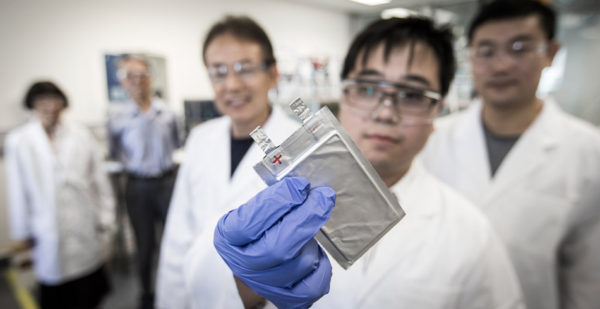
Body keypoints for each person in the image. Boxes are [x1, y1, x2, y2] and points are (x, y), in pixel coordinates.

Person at [212, 17, 525, 308]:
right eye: (367, 88)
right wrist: (245, 284)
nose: (385, 112)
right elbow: (197, 283)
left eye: (413, 94)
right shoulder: (268, 195)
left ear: (437, 111)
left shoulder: (470, 233)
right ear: (343, 96)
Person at [420, 1, 600, 308]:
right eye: (486, 51)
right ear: (472, 57)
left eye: (519, 48)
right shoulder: (431, 138)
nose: (501, 65)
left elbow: (588, 278)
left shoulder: (589, 152)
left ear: (551, 53)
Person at [155, 16, 300, 308]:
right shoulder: (200, 139)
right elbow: (177, 236)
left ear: (273, 74)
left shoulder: (299, 146)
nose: (232, 85)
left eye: (245, 69)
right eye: (218, 72)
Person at [5, 81, 115, 309]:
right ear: (32, 106)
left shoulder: (81, 134)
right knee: (56, 293)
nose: (49, 107)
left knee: (89, 291)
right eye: (41, 101)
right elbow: (17, 191)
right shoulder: (19, 141)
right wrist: (21, 232)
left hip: (83, 222)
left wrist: (106, 218)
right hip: (46, 228)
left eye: (53, 100)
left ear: (62, 104)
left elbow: (99, 181)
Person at [107, 54, 182, 309]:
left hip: (166, 182)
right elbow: (114, 151)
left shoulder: (168, 112)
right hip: (137, 186)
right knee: (145, 243)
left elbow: (176, 142)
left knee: (175, 237)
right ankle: (147, 294)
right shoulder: (117, 117)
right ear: (123, 83)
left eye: (142, 75)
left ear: (151, 78)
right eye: (131, 76)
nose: (137, 81)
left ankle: (177, 287)